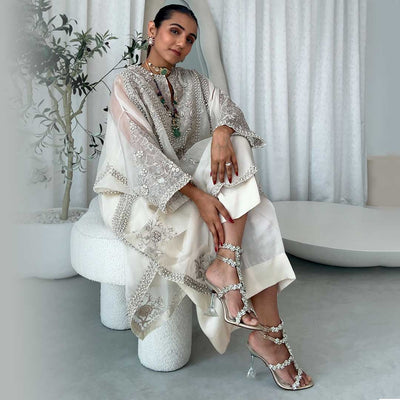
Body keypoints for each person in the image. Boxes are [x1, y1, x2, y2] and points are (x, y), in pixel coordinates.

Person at [94, 4, 313, 391]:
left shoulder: (195, 82)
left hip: (189, 180)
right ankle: (269, 339)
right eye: (174, 31)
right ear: (153, 30)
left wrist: (222, 133)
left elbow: (229, 110)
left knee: (239, 148)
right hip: (141, 193)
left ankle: (228, 266)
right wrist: (197, 195)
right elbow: (142, 156)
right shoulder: (128, 82)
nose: (182, 42)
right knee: (259, 215)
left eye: (190, 38)